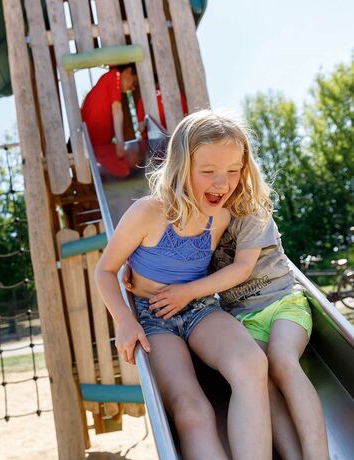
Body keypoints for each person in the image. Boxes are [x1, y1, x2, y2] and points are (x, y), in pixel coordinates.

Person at [96, 109, 272, 460]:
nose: (222, 183)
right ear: (181, 166)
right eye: (208, 172)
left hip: (202, 308)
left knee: (253, 365)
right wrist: (126, 322)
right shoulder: (148, 212)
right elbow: (105, 270)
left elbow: (248, 253)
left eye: (233, 171)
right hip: (153, 319)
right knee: (192, 410)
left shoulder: (223, 215)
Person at [145, 198, 330, 457]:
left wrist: (186, 291)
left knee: (281, 359)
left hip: (283, 303)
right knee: (259, 377)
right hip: (244, 319)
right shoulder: (196, 224)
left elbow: (242, 269)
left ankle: (317, 455)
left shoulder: (250, 210)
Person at [81, 63, 137, 161]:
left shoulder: (110, 80)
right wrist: (120, 144)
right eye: (134, 82)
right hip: (95, 147)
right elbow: (117, 110)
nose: (133, 88)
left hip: (98, 147)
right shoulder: (115, 75)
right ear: (128, 71)